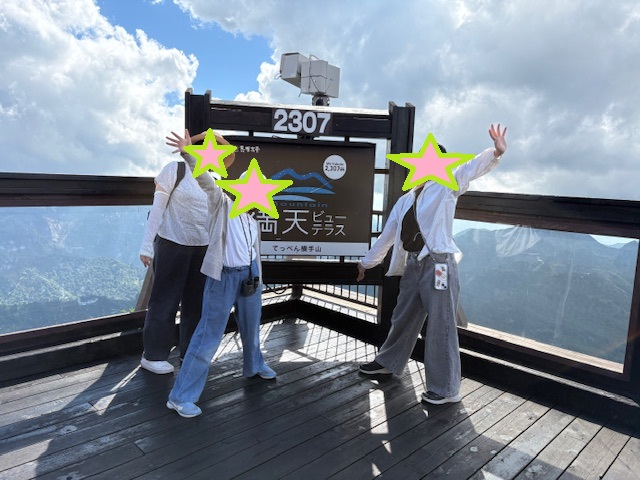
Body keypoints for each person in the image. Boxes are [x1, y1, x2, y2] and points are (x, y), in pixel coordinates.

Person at [356, 124, 508, 405]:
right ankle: (388, 362)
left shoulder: (447, 185)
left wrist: (495, 153)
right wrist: (367, 262)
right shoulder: (405, 200)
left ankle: (446, 389)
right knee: (403, 316)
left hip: (439, 264)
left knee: (441, 324)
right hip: (413, 265)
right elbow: (389, 234)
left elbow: (470, 168)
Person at [164, 129, 276, 418]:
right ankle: (180, 397)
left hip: (250, 276)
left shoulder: (253, 220)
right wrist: (188, 152)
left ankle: (254, 365)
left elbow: (253, 252)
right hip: (223, 277)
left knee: (252, 326)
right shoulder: (221, 203)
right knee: (208, 336)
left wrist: (258, 276)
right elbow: (205, 180)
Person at [138, 130, 221, 374]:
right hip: (172, 243)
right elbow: (157, 208)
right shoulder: (175, 170)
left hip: (203, 248)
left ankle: (190, 353)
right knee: (165, 300)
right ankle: (153, 355)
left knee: (196, 304)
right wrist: (146, 244)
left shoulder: (214, 177)